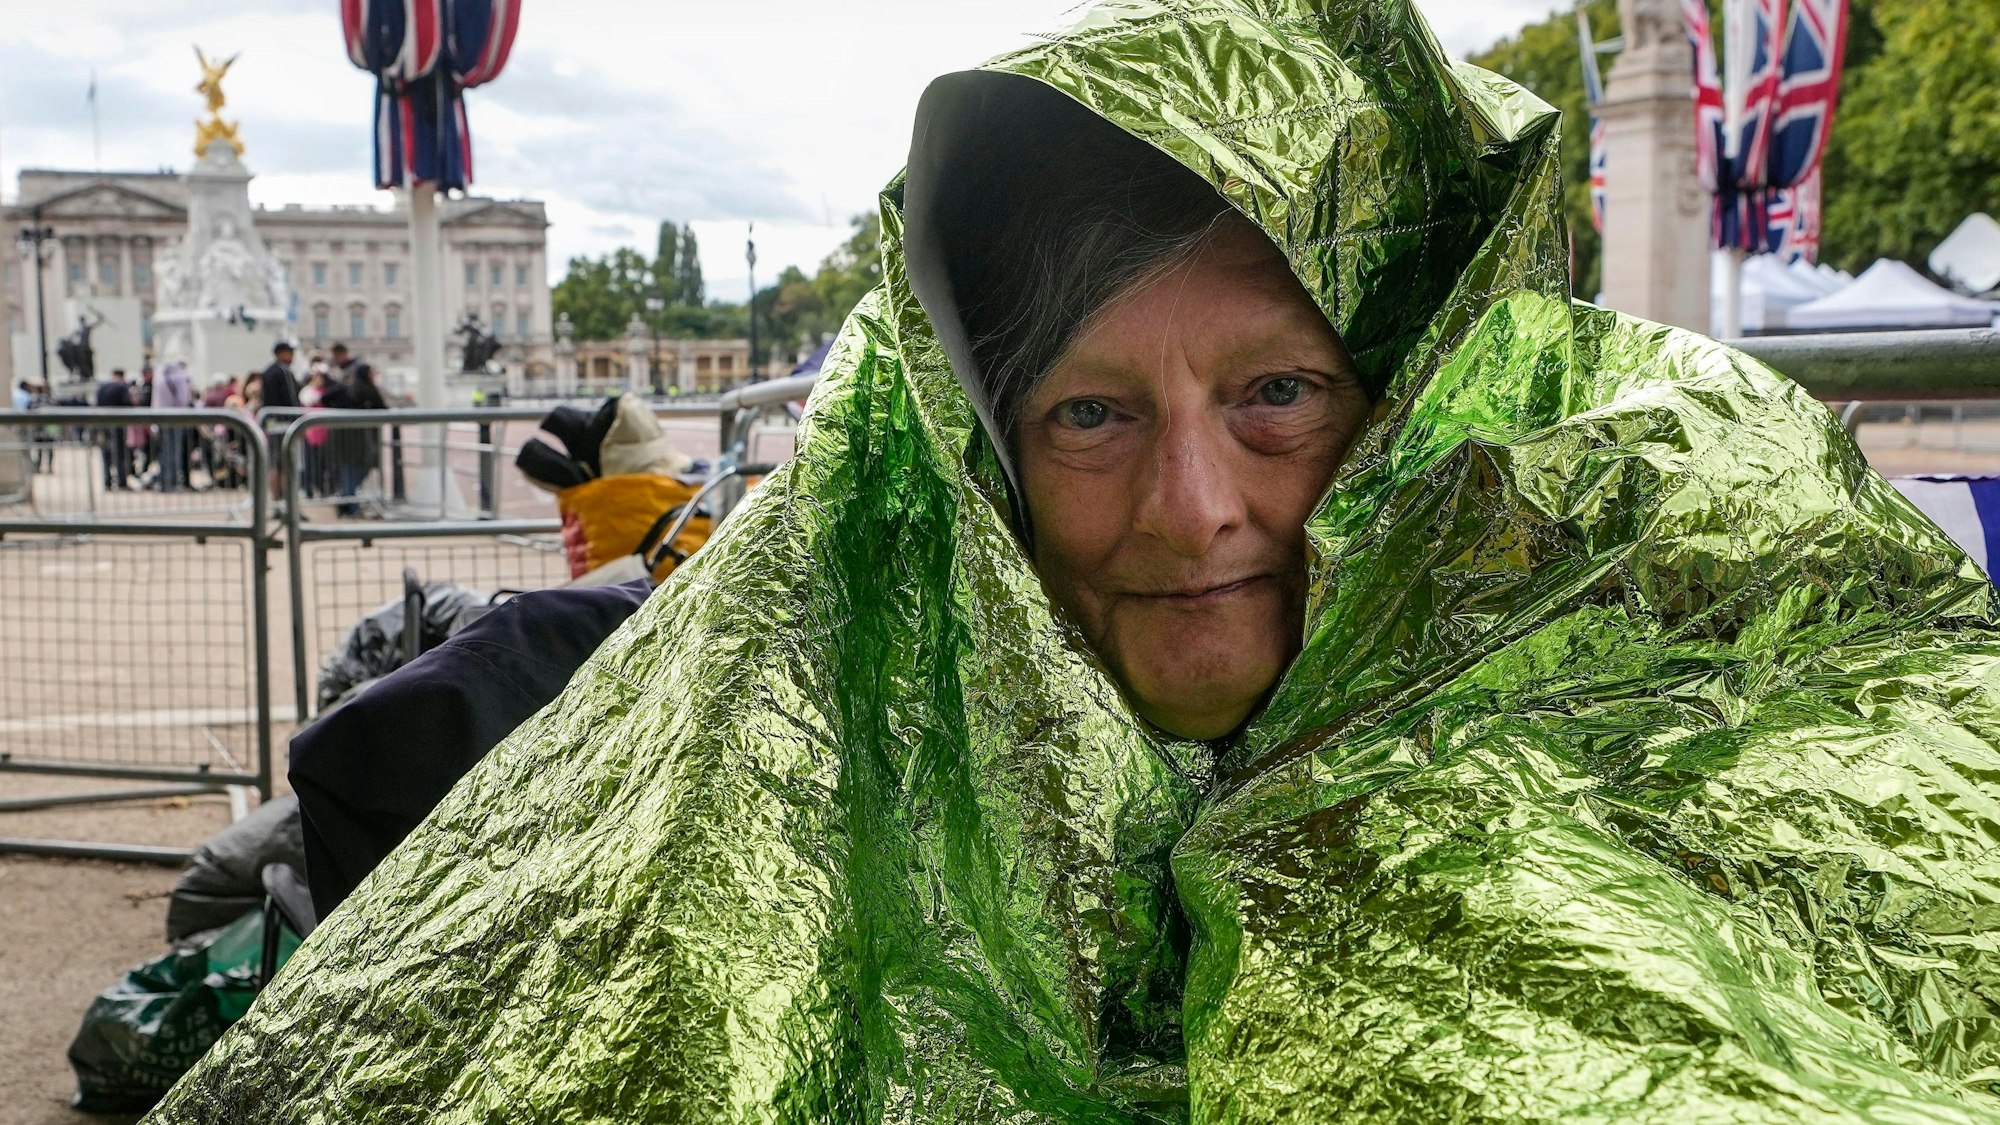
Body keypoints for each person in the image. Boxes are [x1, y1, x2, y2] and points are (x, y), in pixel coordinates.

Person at [152, 3, 2000, 1121]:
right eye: (1093, 417)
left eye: (1279, 395)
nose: (1195, 509)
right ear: (984, 469)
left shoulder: (1675, 689)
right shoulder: (801, 750)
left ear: (1425, 406)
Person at [151, 360, 195, 493]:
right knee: (175, 451)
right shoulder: (179, 377)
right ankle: (174, 481)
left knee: (164, 452)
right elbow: (182, 400)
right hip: (176, 418)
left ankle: (164, 481)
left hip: (160, 418)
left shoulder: (159, 378)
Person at [93, 368, 133, 490]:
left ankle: (107, 481)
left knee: (105, 454)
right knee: (120, 453)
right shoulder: (122, 387)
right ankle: (121, 481)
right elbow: (127, 404)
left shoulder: (102, 387)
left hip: (103, 424)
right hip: (118, 425)